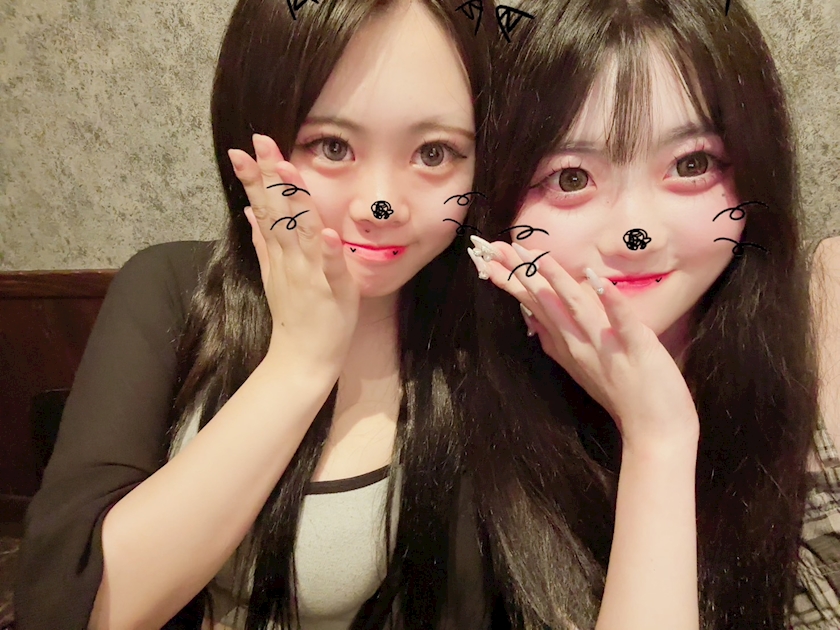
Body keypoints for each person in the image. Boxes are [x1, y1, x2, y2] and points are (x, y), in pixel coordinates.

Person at [14, 1, 494, 628]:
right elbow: (63, 609)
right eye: (332, 146)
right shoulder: (169, 288)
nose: (381, 206)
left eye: (434, 153)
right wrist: (300, 362)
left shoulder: (490, 334)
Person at [461, 0, 838, 627]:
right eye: (571, 177)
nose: (635, 234)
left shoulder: (826, 325)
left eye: (692, 164)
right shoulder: (460, 418)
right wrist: (657, 436)